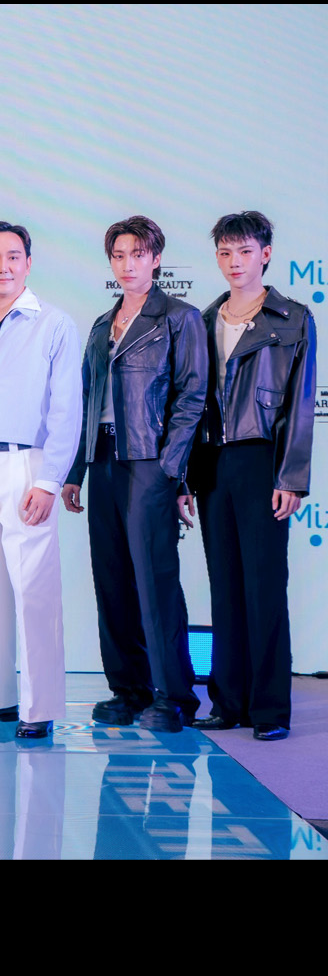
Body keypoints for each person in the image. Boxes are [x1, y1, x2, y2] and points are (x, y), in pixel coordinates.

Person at [62, 215, 208, 733]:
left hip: (149, 460)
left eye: (138, 255)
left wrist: (171, 469)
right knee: (111, 580)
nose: (128, 265)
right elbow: (86, 402)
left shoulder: (179, 318)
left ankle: (174, 696)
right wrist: (76, 471)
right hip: (102, 459)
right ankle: (128, 690)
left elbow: (192, 398)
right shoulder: (102, 324)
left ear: (156, 259)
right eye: (119, 256)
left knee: (154, 579)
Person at [180, 211, 315, 741]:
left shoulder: (292, 319)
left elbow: (300, 404)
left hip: (262, 461)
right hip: (212, 462)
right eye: (225, 253)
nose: (234, 262)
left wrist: (291, 477)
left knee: (264, 586)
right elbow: (188, 404)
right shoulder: (202, 319)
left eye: (244, 251)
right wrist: (185, 477)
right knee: (225, 585)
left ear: (266, 254)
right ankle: (228, 701)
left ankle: (270, 708)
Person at [0, 221, 82, 739]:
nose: (2, 266)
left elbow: (67, 409)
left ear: (28, 264)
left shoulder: (54, 325)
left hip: (26, 465)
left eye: (13, 256)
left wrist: (50, 480)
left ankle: (39, 706)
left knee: (33, 589)